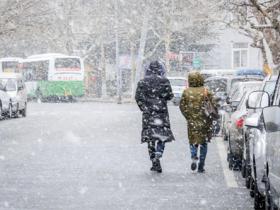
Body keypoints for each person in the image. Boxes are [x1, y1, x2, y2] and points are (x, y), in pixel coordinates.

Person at [135, 61, 175, 173]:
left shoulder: (143, 82)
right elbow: (170, 96)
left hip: (148, 114)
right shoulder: (164, 81)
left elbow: (138, 97)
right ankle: (159, 153)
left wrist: (144, 107)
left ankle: (153, 160)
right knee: (162, 135)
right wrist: (161, 99)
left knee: (150, 137)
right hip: (161, 112)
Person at [179, 72, 217, 173]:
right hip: (205, 121)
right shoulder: (206, 91)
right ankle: (201, 165)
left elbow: (182, 106)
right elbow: (214, 105)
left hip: (192, 121)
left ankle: (193, 156)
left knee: (193, 141)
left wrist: (188, 116)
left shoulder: (186, 92)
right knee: (204, 143)